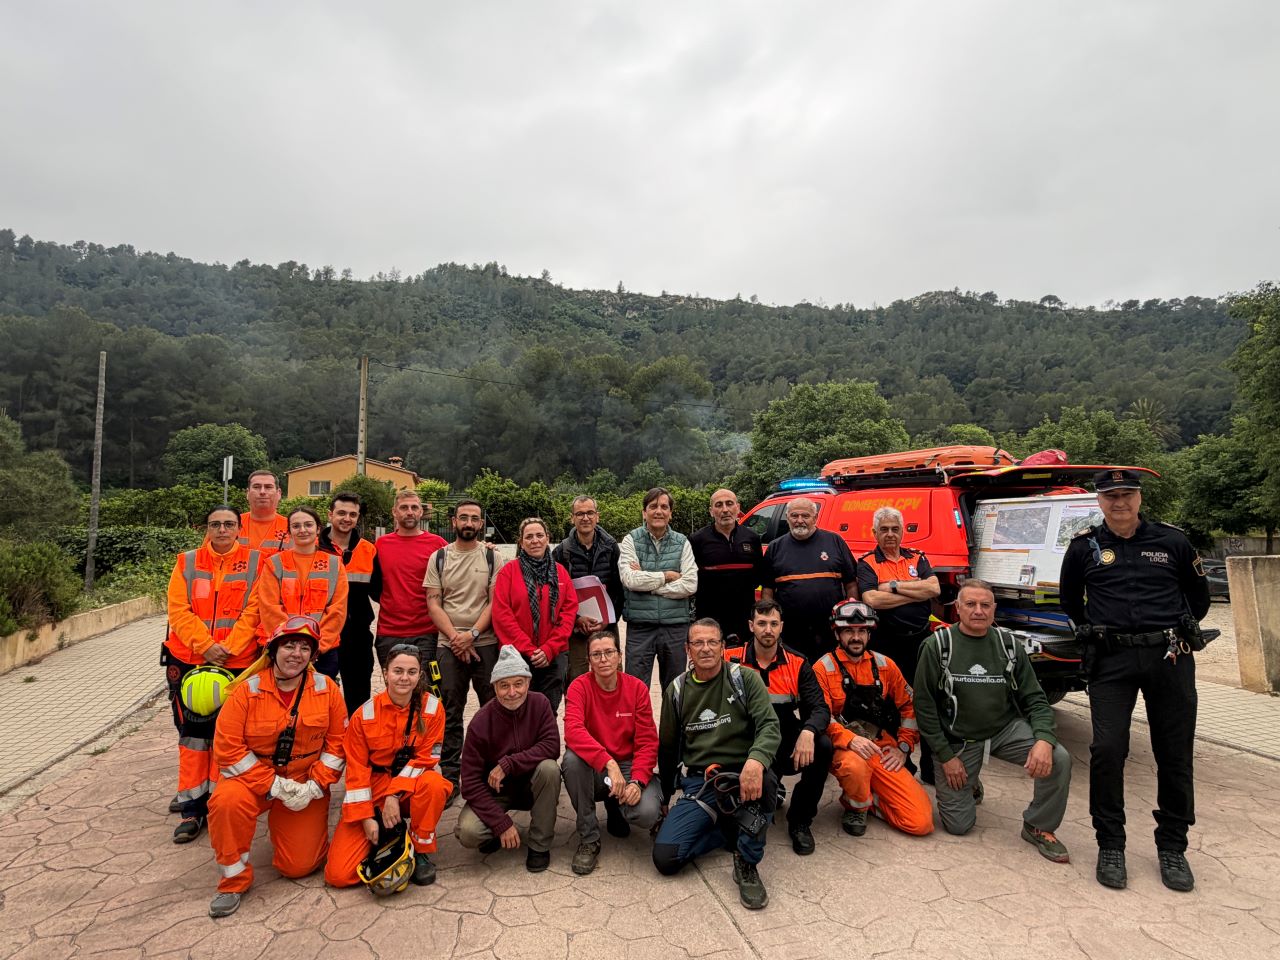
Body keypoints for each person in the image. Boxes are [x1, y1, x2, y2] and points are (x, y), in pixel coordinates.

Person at [1059, 469, 1211, 893]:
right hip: (1112, 659)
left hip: (1170, 656)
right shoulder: (1084, 547)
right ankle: (1111, 844)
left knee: (1174, 754)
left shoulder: (1173, 542)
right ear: (1099, 502)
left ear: (1139, 498)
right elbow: (1070, 600)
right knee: (1107, 750)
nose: (1119, 503)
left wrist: (1177, 629)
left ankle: (1172, 847)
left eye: (1126, 495)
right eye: (1110, 496)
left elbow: (1198, 598)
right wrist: (1097, 631)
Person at [913, 580, 1072, 863]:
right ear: (958, 608)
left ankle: (1039, 826)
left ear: (994, 609)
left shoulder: (1009, 645)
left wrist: (1045, 739)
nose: (978, 611)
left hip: (1003, 730)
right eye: (970, 604)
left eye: (985, 605)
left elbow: (1035, 699)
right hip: (958, 737)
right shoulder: (937, 645)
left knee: (1058, 757)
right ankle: (970, 782)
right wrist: (946, 756)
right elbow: (924, 707)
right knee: (959, 826)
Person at [206, 616, 347, 918]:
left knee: (298, 867)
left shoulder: (328, 690)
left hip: (305, 782)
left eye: (304, 648)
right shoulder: (246, 691)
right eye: (289, 646)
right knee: (226, 802)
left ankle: (286, 830)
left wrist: (315, 785)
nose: (296, 654)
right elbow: (227, 750)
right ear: (273, 649)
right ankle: (234, 880)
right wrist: (272, 786)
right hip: (252, 781)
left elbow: (338, 745)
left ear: (313, 656)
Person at [653, 619, 781, 910]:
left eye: (712, 642)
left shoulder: (745, 679)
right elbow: (669, 747)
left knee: (767, 780)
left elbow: (769, 726)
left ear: (723, 647)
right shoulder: (677, 690)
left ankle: (746, 862)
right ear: (687, 649)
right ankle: (729, 828)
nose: (706, 648)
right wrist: (664, 795)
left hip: (743, 774)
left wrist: (756, 762)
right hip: (703, 782)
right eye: (698, 643)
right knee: (666, 857)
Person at [163, 505, 263, 843]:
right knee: (192, 736)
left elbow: (255, 609)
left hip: (236, 663)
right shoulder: (187, 562)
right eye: (215, 524)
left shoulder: (255, 562)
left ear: (239, 528)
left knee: (230, 735)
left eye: (228, 524)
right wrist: (206, 646)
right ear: (205, 528)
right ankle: (192, 809)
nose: (222, 529)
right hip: (191, 658)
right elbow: (178, 610)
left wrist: (230, 647)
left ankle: (222, 802)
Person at [324, 644, 452, 889]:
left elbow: (426, 758)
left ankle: (419, 848)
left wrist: (394, 794)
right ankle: (388, 833)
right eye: (398, 671)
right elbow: (356, 771)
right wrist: (365, 819)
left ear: (419, 675)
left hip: (410, 785)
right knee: (339, 876)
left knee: (435, 783)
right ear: (385, 673)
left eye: (412, 672)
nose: (404, 678)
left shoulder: (434, 708)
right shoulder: (363, 716)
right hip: (373, 786)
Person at [813, 600, 933, 839]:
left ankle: (870, 801)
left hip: (880, 747)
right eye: (848, 631)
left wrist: (903, 747)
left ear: (869, 633)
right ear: (837, 633)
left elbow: (910, 705)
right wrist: (850, 740)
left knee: (920, 823)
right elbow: (820, 715)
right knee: (854, 767)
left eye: (861, 631)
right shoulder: (822, 668)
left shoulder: (885, 665)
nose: (855, 637)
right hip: (844, 748)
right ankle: (855, 806)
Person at [724, 600, 832, 855]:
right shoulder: (729, 658)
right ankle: (748, 810)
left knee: (823, 745)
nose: (768, 630)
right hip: (742, 745)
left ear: (782, 627)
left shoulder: (797, 662)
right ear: (751, 626)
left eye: (773, 624)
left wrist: (808, 731)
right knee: (729, 838)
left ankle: (800, 821)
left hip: (782, 741)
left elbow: (820, 708)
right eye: (761, 623)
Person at [562, 630, 662, 875]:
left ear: (619, 656)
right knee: (572, 761)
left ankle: (617, 806)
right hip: (597, 768)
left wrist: (637, 782)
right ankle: (589, 838)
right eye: (596, 654)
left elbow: (648, 742)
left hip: (628, 765)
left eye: (609, 652)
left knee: (647, 813)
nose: (603, 659)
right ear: (589, 660)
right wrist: (608, 762)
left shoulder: (636, 688)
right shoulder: (579, 687)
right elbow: (573, 731)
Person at [454, 646, 562, 873]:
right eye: (504, 685)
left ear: (528, 683)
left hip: (532, 787)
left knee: (550, 769)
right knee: (468, 832)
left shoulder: (540, 703)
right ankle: (494, 832)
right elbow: (470, 783)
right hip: (496, 793)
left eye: (518, 684)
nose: (512, 692)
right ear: (494, 687)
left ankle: (539, 845)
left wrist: (508, 763)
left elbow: (552, 747)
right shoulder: (481, 721)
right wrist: (500, 823)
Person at [856, 505, 941, 778]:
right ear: (874, 533)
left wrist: (892, 586)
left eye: (895, 529)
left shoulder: (918, 557)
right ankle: (901, 764)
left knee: (927, 702)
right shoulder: (867, 562)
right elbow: (871, 599)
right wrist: (916, 594)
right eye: (884, 530)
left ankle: (930, 766)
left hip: (921, 642)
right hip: (886, 644)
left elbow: (934, 588)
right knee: (890, 703)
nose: (890, 534)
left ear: (902, 531)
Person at [424, 499, 501, 796]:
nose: (469, 523)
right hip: (447, 645)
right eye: (463, 518)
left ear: (481, 523)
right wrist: (457, 638)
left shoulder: (493, 558)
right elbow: (433, 602)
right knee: (448, 713)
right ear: (454, 521)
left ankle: (489, 774)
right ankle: (450, 778)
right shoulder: (439, 558)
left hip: (486, 644)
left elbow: (495, 603)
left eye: (474, 519)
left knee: (492, 710)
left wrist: (471, 634)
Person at [492, 517, 578, 712]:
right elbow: (502, 615)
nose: (535, 540)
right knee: (516, 709)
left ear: (547, 538)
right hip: (517, 655)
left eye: (539, 535)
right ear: (521, 542)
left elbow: (568, 613)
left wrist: (549, 649)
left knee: (548, 711)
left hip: (553, 656)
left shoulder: (560, 572)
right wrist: (530, 650)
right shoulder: (509, 572)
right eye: (529, 537)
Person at [619, 487, 698, 695]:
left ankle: (671, 729)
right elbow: (629, 579)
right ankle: (638, 729)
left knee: (675, 692)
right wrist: (667, 575)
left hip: (675, 628)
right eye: (653, 506)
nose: (659, 511)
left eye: (664, 507)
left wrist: (650, 587)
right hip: (640, 627)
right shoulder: (631, 540)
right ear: (644, 512)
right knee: (635, 691)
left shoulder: (682, 542)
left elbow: (690, 584)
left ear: (671, 513)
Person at [761, 497, 858, 662]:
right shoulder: (775, 548)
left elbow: (851, 584)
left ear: (815, 517)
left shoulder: (835, 541)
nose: (799, 520)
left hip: (830, 629)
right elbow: (767, 591)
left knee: (831, 673)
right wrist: (771, 622)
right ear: (787, 517)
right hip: (791, 632)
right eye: (794, 516)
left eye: (805, 516)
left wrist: (851, 618)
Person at [257, 506, 349, 678]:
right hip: (281, 649)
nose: (302, 530)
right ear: (289, 532)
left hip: (322, 652)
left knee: (318, 700)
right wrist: (291, 646)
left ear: (318, 529)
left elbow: (337, 610)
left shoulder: (335, 564)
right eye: (296, 526)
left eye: (308, 525)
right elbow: (269, 608)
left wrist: (315, 647)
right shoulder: (274, 564)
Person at [552, 495, 624, 685]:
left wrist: (608, 619)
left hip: (607, 625)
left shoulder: (612, 548)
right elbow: (556, 594)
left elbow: (619, 589)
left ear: (597, 516)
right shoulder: (561, 552)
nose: (585, 518)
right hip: (576, 629)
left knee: (613, 676)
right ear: (572, 518)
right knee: (577, 679)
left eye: (590, 513)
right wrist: (576, 619)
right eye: (580, 513)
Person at [318, 492, 380, 714]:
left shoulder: (368, 550)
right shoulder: (313, 547)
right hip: (319, 634)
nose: (347, 518)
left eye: (353, 514)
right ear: (330, 514)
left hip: (357, 635)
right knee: (319, 697)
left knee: (358, 698)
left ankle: (356, 744)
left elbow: (381, 593)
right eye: (341, 513)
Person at [374, 490, 448, 668]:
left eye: (414, 507)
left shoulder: (438, 545)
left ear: (421, 512)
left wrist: (486, 549)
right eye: (404, 507)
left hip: (427, 633)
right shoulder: (380, 545)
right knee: (395, 689)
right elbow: (374, 586)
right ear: (394, 512)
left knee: (427, 690)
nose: (410, 512)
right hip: (389, 632)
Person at [690, 488, 765, 644]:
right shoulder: (697, 540)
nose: (725, 509)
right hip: (709, 621)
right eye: (719, 505)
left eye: (729, 504)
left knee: (744, 666)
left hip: (745, 620)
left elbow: (759, 578)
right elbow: (690, 579)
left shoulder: (752, 538)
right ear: (711, 511)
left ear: (737, 508)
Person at [238, 470, 289, 556]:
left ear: (279, 493)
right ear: (247, 493)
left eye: (268, 487)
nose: (262, 492)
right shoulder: (228, 525)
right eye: (256, 487)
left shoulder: (293, 528)